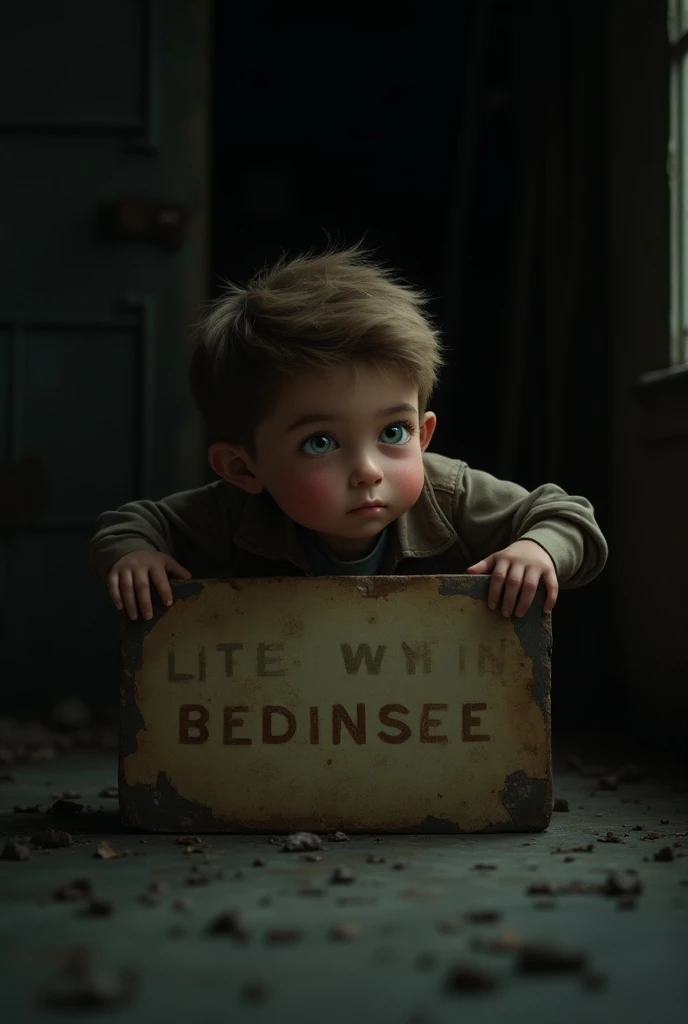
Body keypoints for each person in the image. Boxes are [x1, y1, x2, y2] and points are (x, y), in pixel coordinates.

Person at [88, 244, 608, 622]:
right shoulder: (232, 513)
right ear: (243, 468)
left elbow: (567, 516)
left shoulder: (450, 494)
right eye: (321, 442)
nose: (367, 470)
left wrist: (537, 550)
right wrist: (136, 557)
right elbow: (129, 524)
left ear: (424, 435)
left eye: (394, 431)